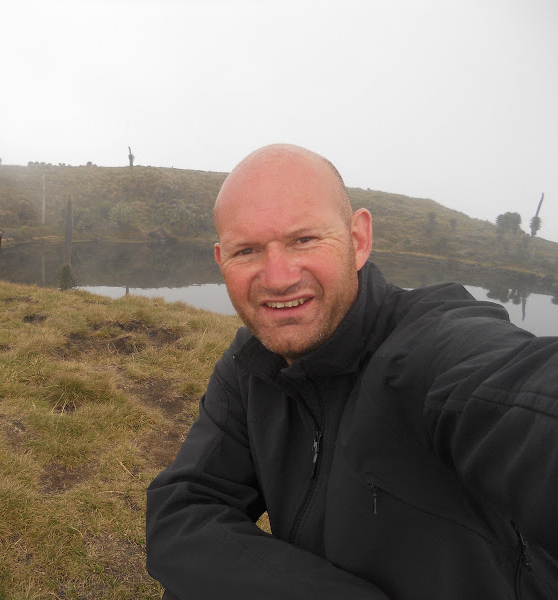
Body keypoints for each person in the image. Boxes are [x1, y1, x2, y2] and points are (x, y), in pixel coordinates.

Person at [145, 144, 558, 599]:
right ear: (223, 261)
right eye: (248, 250)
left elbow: (517, 395)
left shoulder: (427, 344)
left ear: (358, 240)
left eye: (304, 239)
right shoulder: (252, 363)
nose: (278, 277)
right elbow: (181, 511)